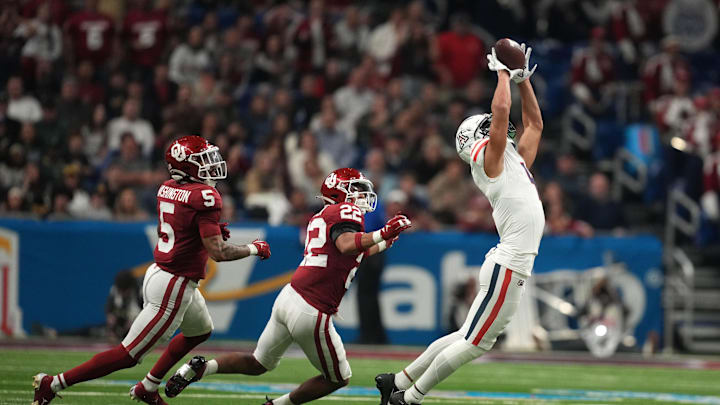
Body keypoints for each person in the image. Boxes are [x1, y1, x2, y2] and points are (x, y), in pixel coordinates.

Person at [32, 136, 271, 405]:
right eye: (202, 160)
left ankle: (148, 386)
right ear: (187, 167)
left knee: (200, 331)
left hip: (162, 273)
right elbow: (219, 252)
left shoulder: (167, 187)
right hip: (174, 284)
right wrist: (254, 248)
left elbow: (187, 229)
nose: (210, 165)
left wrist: (210, 231)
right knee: (128, 355)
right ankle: (52, 383)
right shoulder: (205, 196)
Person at [376, 43, 545, 405]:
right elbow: (501, 111)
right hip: (509, 262)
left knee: (467, 334)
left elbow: (535, 123)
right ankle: (409, 398)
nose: (498, 128)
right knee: (476, 342)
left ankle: (398, 381)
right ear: (477, 139)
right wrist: (502, 72)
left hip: (508, 262)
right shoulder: (490, 161)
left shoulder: (511, 160)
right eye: (488, 128)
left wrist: (524, 80)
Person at [164, 168, 412, 405]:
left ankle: (201, 367)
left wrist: (383, 242)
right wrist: (382, 232)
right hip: (312, 308)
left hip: (290, 297)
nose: (361, 195)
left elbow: (350, 252)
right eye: (355, 189)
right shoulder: (345, 211)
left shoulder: (321, 217)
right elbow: (347, 245)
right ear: (340, 192)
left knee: (259, 363)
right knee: (339, 378)